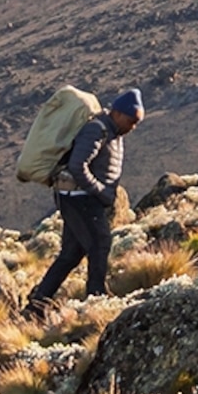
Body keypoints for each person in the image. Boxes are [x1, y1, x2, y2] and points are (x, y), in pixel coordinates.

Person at [25, 88, 142, 314]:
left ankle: (37, 306)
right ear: (117, 113)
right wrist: (102, 192)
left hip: (80, 198)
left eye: (137, 123)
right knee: (100, 243)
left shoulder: (112, 131)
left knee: (70, 254)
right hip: (79, 198)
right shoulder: (96, 130)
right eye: (131, 120)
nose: (133, 127)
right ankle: (95, 300)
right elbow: (78, 166)